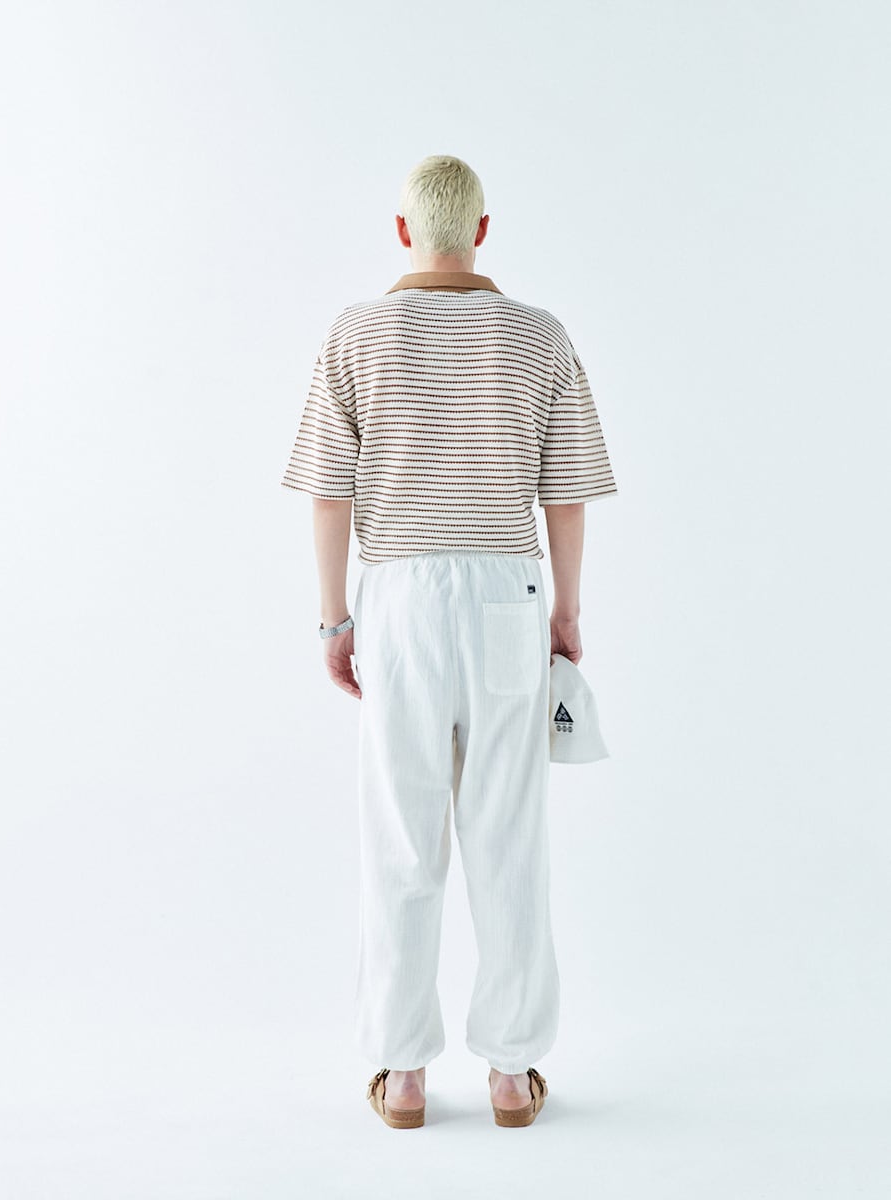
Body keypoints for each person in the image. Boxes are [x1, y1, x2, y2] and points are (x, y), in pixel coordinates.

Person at [280, 154, 618, 1128]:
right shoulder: (538, 335)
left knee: (402, 832)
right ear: (481, 231)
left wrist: (334, 617)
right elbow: (567, 492)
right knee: (507, 831)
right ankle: (511, 1072)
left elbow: (328, 492)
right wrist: (567, 612)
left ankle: (403, 1073)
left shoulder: (355, 334)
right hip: (508, 589)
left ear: (402, 232)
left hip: (398, 596)